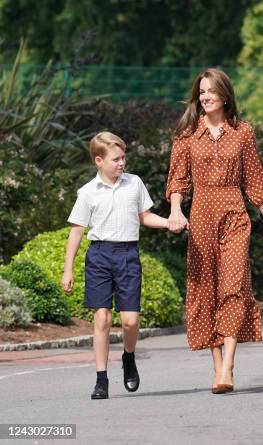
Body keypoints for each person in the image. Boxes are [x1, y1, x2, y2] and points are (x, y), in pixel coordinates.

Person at [166, 68, 263, 394]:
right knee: (206, 291)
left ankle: (228, 364)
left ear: (225, 95)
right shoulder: (187, 134)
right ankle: (218, 370)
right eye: (201, 92)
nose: (206, 97)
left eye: (211, 91)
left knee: (232, 286)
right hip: (200, 216)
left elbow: (254, 178)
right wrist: (175, 210)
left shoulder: (243, 132)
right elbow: (178, 180)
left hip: (235, 216)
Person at [61, 131, 169, 400]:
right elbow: (76, 231)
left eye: (123, 158)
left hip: (127, 254)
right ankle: (101, 379)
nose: (122, 163)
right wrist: (68, 268)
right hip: (99, 256)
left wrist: (168, 222)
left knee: (130, 322)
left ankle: (129, 358)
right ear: (99, 160)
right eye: (116, 159)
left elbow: (145, 216)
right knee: (103, 318)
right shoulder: (87, 192)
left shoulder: (134, 184)